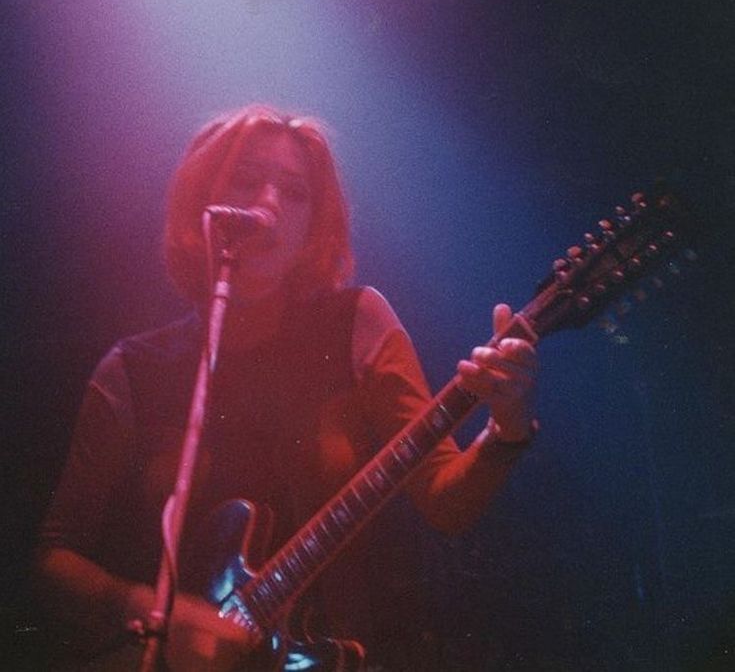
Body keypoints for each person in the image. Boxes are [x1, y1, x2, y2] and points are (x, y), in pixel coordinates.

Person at [34, 104, 538, 670]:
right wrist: (147, 609)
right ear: (204, 202)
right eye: (247, 181)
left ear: (312, 225)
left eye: (295, 192)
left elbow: (446, 502)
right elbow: (52, 557)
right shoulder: (132, 370)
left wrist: (506, 428)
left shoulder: (357, 322)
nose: (268, 203)